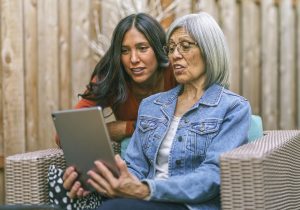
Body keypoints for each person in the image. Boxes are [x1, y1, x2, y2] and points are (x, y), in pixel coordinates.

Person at [63, 12, 251, 210]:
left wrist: (145, 189)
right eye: (171, 48)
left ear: (209, 49)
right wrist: (102, 181)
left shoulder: (233, 108)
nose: (175, 55)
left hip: (190, 205)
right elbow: (135, 167)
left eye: (185, 47)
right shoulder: (151, 105)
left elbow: (212, 176)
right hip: (144, 201)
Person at [55, 13, 176, 146]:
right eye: (125, 51)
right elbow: (64, 135)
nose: (134, 59)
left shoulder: (175, 71)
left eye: (142, 48)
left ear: (158, 48)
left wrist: (121, 128)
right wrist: (129, 127)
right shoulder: (112, 77)